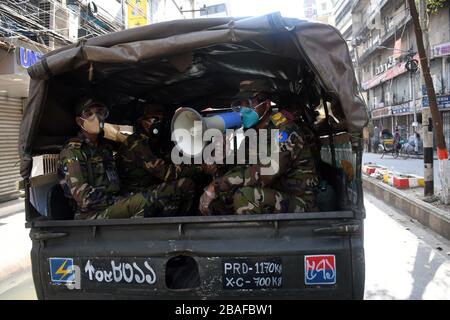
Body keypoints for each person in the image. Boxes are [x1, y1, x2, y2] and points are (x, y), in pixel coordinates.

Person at [58, 98, 195, 219]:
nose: (96, 117)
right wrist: (119, 200)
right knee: (158, 195)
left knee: (177, 188)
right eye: (89, 114)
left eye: (100, 112)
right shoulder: (73, 152)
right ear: (78, 121)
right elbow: (84, 198)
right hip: (92, 215)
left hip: (116, 203)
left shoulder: (104, 148)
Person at [198, 86, 320, 215]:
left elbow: (266, 171)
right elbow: (242, 168)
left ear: (266, 105)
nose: (242, 111)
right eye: (240, 105)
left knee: (245, 196)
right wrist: (221, 162)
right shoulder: (252, 135)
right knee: (220, 199)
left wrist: (216, 186)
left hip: (299, 202)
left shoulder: (285, 131)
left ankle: (253, 234)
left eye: (249, 104)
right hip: (269, 192)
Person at [113, 104, 216, 194]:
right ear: (143, 121)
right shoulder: (136, 143)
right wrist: (202, 168)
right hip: (134, 191)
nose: (158, 124)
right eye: (154, 120)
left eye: (161, 120)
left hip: (149, 185)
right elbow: (166, 173)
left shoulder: (153, 141)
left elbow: (169, 160)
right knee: (185, 184)